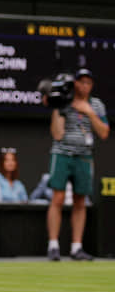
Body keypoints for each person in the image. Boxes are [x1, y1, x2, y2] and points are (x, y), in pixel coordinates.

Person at [46, 68, 109, 261]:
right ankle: (53, 245)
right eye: (80, 82)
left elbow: (104, 133)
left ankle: (76, 247)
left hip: (84, 156)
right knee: (57, 198)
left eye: (88, 82)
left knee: (80, 201)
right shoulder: (64, 100)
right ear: (75, 84)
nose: (84, 86)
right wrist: (59, 107)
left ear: (92, 85)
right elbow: (57, 134)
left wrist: (89, 113)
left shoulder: (97, 105)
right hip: (63, 154)